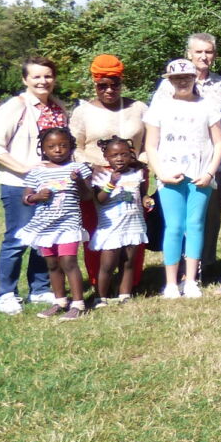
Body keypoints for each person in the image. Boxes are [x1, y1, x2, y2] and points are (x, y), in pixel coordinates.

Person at [0, 57, 72, 313]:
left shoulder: (58, 107)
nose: (43, 81)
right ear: (25, 80)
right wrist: (25, 168)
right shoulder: (15, 107)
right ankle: (6, 294)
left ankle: (41, 288)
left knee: (45, 237)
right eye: (36, 76)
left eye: (47, 76)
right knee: (17, 238)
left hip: (54, 186)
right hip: (19, 184)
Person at [153, 33, 221, 284]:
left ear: (214, 55)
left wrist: (214, 166)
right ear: (189, 54)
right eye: (199, 52)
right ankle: (175, 274)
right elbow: (157, 128)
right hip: (174, 166)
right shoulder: (167, 87)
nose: (203, 56)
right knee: (176, 222)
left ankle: (200, 269)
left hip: (210, 164)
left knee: (206, 220)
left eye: (208, 52)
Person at [70, 53, 149, 297]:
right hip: (97, 180)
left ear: (121, 82)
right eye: (102, 85)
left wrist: (140, 165)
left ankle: (129, 285)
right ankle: (99, 283)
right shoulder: (83, 112)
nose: (109, 89)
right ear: (94, 84)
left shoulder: (138, 108)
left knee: (133, 231)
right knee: (98, 234)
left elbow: (148, 144)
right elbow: (75, 146)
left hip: (132, 179)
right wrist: (93, 167)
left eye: (114, 83)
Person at [18, 127, 95, 320]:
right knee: (52, 264)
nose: (58, 150)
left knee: (69, 262)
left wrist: (78, 182)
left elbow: (87, 196)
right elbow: (25, 198)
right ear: (43, 149)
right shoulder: (37, 172)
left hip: (69, 223)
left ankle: (78, 304)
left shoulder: (78, 169)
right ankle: (59, 300)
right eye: (51, 146)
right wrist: (37, 196)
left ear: (71, 147)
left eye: (63, 145)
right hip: (45, 226)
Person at [89, 137, 150, 306]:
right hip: (112, 227)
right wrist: (111, 183)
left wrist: (146, 200)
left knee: (128, 262)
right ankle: (100, 296)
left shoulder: (137, 173)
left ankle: (124, 294)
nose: (119, 158)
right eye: (114, 155)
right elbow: (100, 199)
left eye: (124, 154)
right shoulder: (101, 176)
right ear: (106, 157)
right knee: (107, 265)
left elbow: (142, 193)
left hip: (133, 224)